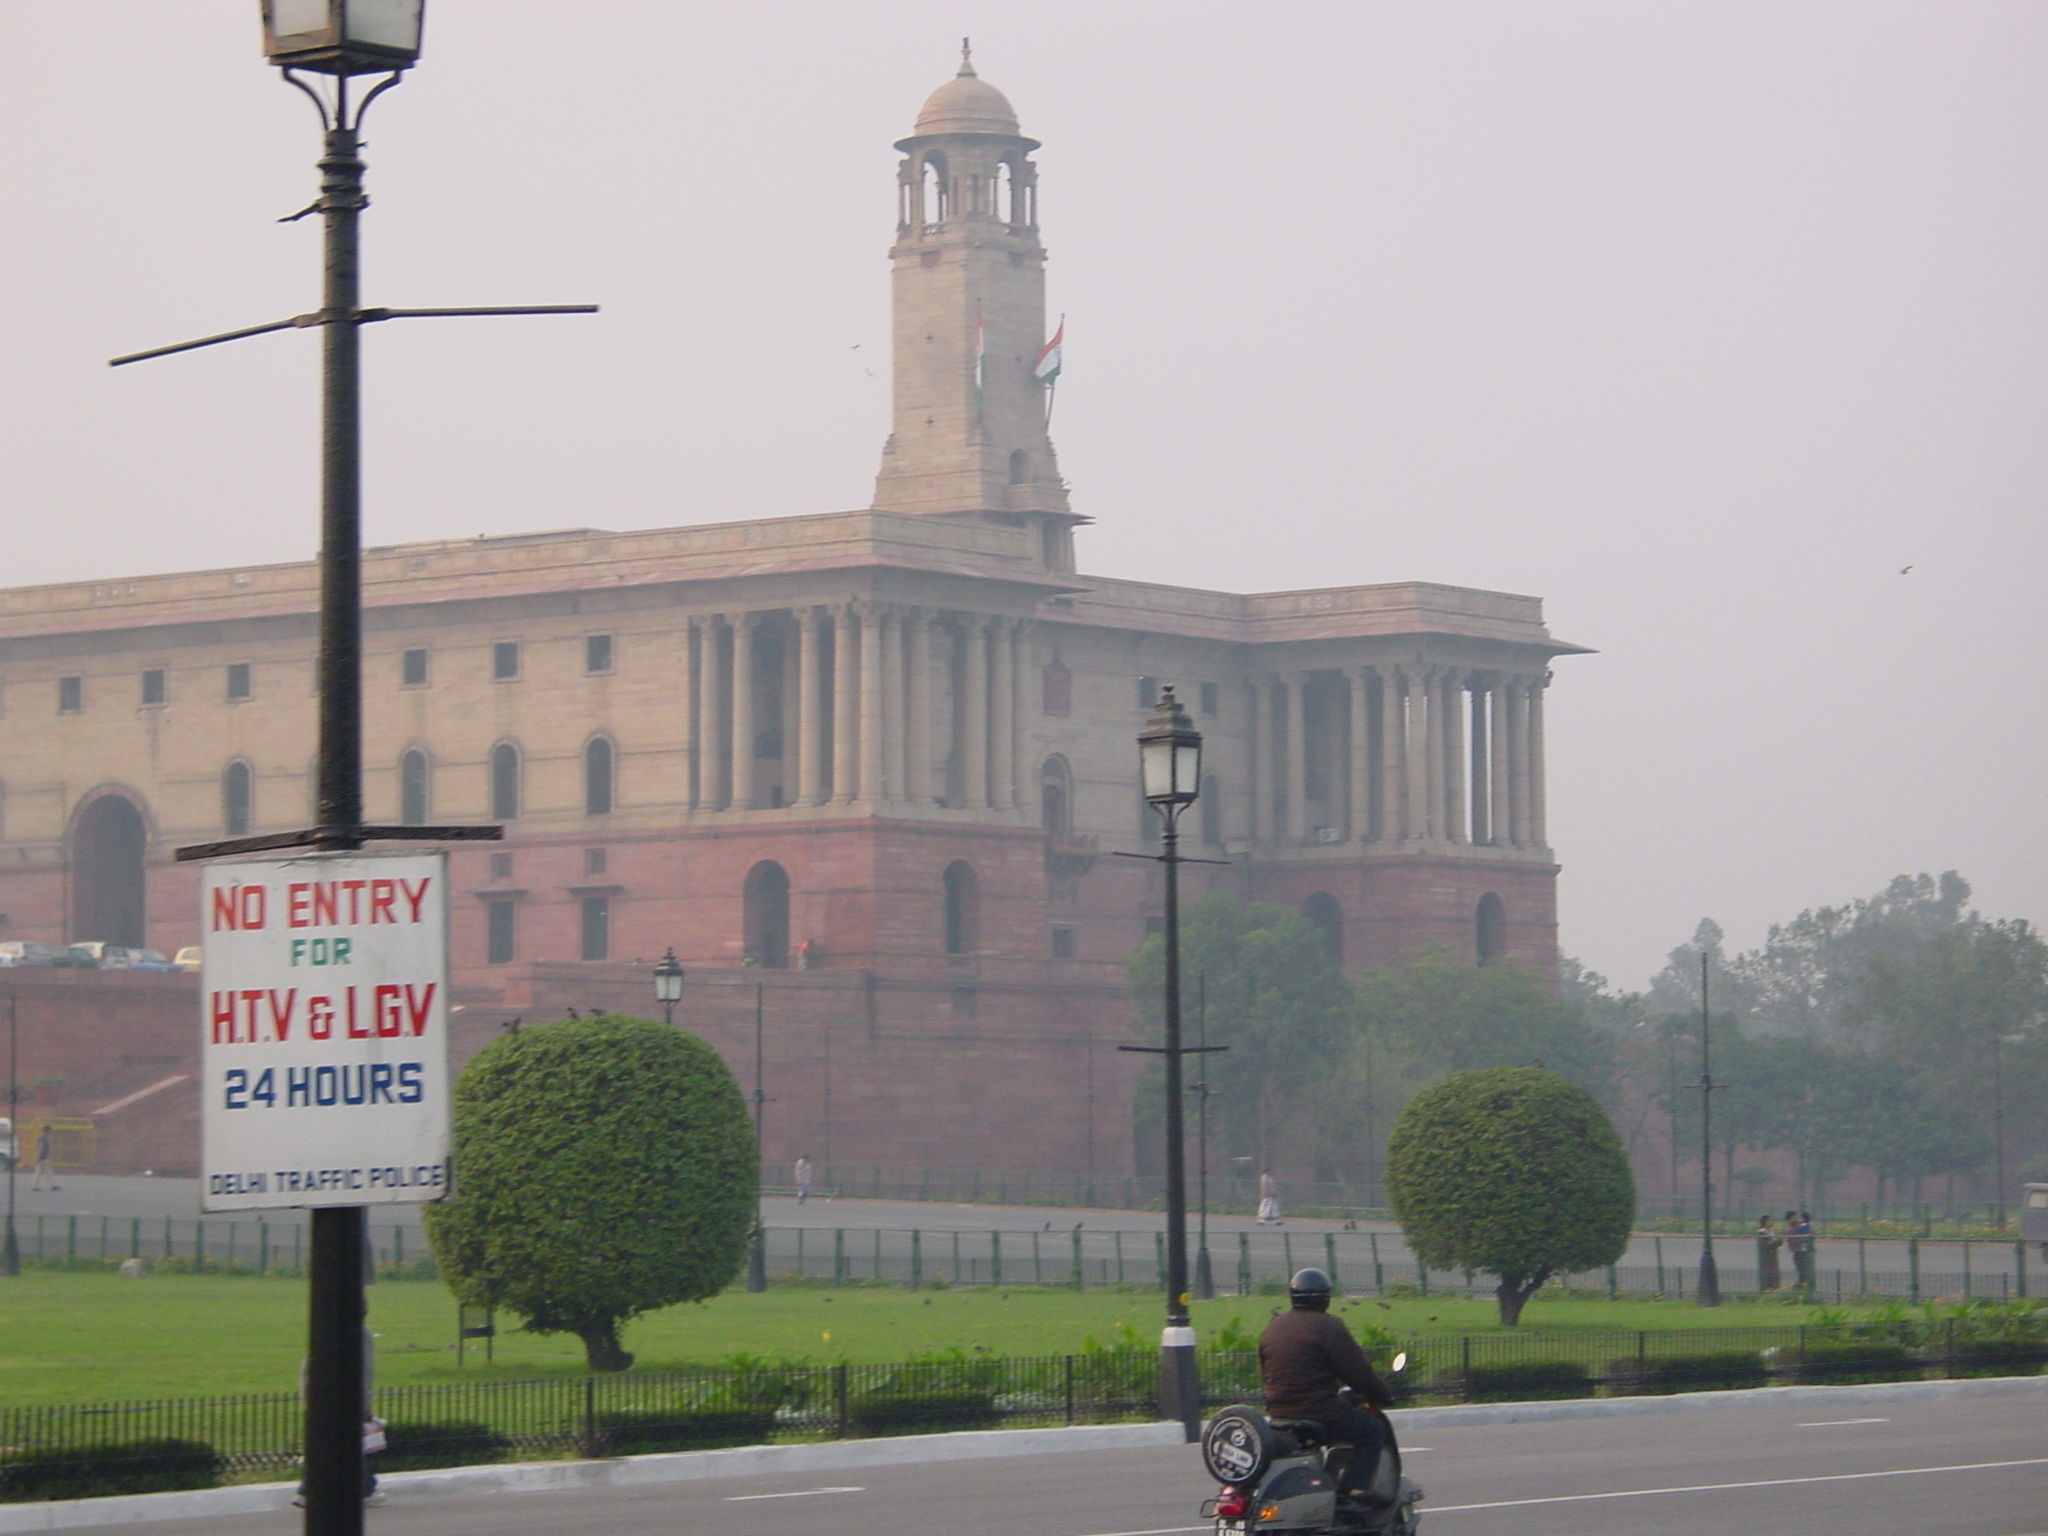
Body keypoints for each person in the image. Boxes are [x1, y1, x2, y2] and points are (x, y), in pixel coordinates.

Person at [1259, 1268, 1394, 1524]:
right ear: (1324, 1298)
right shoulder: (1328, 1326)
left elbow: (1267, 1372)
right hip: (1319, 1412)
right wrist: (1383, 1395)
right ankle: (1348, 1494)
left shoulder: (1274, 1326)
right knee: (1372, 1431)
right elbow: (1358, 1372)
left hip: (1278, 1416)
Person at [1755, 1214, 1782, 1291]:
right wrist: (1777, 1242)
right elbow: (1767, 1245)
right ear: (1765, 1222)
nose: (1772, 1222)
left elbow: (1775, 1243)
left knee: (1774, 1275)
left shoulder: (1772, 1232)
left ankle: (1774, 1288)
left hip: (1773, 1257)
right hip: (1766, 1258)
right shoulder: (1762, 1232)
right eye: (1770, 1220)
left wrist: (1778, 1242)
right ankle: (1765, 1289)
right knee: (1767, 1275)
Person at [30, 1123, 56, 1191]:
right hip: (43, 1158)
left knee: (42, 1172)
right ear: (46, 1130)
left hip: (44, 1158)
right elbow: (40, 1148)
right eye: (50, 1130)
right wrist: (38, 1157)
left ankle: (36, 1186)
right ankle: (50, 1186)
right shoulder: (43, 1138)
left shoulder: (43, 1138)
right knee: (41, 1172)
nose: (50, 1132)